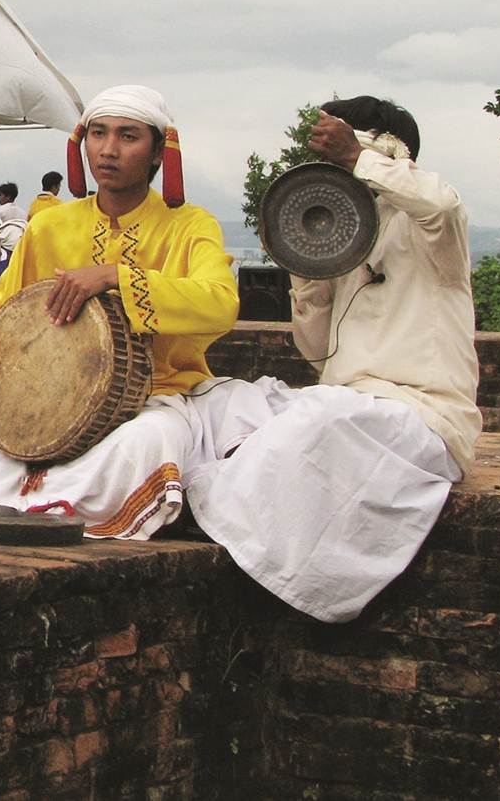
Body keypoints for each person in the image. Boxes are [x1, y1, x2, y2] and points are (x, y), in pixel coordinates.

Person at [182, 97, 476, 622]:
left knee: (322, 418)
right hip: (347, 407)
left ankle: (213, 514)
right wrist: (309, 268)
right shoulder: (351, 234)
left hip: (421, 420)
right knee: (217, 399)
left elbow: (442, 205)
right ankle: (209, 509)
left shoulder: (433, 231)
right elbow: (316, 351)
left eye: (347, 146)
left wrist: (357, 158)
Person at [0, 85, 239, 540]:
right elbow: (0, 299)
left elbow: (219, 303)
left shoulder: (190, 225)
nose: (108, 150)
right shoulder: (50, 224)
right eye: (97, 134)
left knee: (149, 439)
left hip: (151, 398)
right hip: (45, 403)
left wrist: (116, 276)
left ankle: (29, 501)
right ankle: (34, 501)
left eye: (128, 136)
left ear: (159, 152)